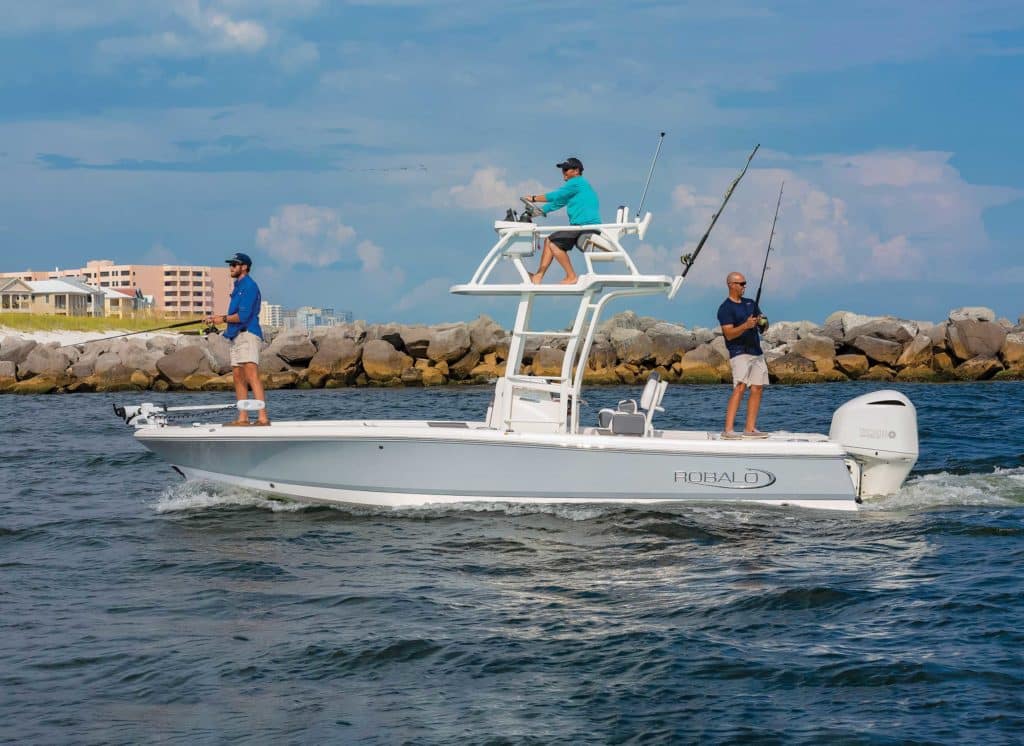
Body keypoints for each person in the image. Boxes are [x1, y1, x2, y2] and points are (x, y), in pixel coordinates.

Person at [205, 252, 270, 426]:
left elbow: (243, 315)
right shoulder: (238, 286)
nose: (231, 267)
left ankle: (262, 417)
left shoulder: (249, 286)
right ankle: (243, 417)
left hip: (248, 333)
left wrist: (222, 319)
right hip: (236, 336)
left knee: (251, 373)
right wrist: (217, 319)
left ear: (244, 267)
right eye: (230, 264)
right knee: (237, 375)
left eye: (234, 264)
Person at [522, 156, 601, 285]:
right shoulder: (574, 189)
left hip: (585, 226)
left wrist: (534, 198)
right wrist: (533, 213)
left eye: (566, 169)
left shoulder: (577, 182)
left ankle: (571, 276)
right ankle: (538, 277)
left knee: (553, 242)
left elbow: (556, 195)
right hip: (580, 227)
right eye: (563, 169)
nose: (563, 172)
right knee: (549, 240)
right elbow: (557, 203)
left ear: (576, 171)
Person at [717, 271, 769, 438]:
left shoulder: (751, 303)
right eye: (741, 283)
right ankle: (728, 429)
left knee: (757, 388)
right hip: (739, 352)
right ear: (731, 285)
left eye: (745, 283)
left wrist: (762, 323)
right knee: (740, 387)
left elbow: (763, 326)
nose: (744, 286)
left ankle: (750, 428)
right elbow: (729, 334)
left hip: (756, 351)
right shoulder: (725, 308)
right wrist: (746, 325)